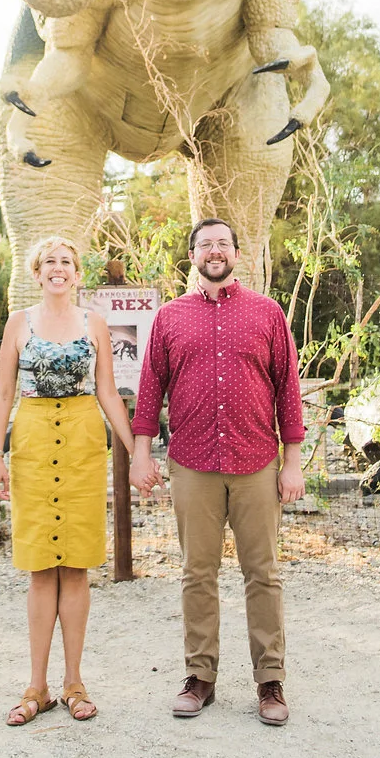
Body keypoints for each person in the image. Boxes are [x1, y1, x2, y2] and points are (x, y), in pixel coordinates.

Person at [130, 217, 305, 726]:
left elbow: (287, 390)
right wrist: (142, 453)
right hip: (192, 464)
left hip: (256, 463)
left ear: (235, 253)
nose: (215, 251)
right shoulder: (169, 318)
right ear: (193, 256)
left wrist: (291, 462)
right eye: (205, 244)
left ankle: (270, 682)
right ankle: (200, 677)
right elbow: (149, 392)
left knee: (263, 575)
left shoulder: (267, 314)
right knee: (197, 574)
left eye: (223, 243)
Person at [0, 235, 160, 726]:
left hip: (85, 441)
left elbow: (107, 391)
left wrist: (135, 451)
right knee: (42, 567)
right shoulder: (18, 323)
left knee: (78, 566)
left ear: (78, 273)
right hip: (35, 441)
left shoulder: (96, 324)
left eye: (66, 262)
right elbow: (3, 393)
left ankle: (74, 683)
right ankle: (36, 687)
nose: (58, 269)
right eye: (49, 263)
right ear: (37, 273)